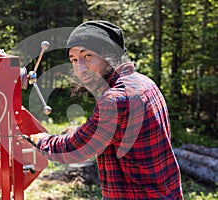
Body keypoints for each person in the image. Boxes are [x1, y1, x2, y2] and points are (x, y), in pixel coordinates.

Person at [30, 20, 183, 199]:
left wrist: (40, 140)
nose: (79, 68)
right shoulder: (144, 83)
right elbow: (109, 133)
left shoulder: (115, 100)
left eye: (87, 56)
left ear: (109, 54)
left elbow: (74, 149)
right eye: (73, 59)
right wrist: (77, 132)